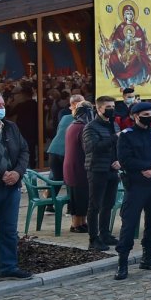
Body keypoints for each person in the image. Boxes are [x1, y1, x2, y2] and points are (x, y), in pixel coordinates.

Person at [113, 101, 151, 281]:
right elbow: (125, 160)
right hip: (136, 186)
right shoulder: (127, 135)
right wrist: (146, 166)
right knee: (129, 224)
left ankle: (148, 257)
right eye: (145, 115)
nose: (149, 117)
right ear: (134, 116)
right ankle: (122, 263)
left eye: (150, 114)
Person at [0, 92, 33, 280]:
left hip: (11, 188)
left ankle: (8, 268)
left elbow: (24, 150)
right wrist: (2, 173)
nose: (1, 108)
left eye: (2, 105)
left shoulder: (11, 127)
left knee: (9, 230)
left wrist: (17, 172)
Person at [83, 96, 121, 252]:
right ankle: (93, 239)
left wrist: (119, 160)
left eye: (113, 106)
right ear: (99, 109)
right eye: (108, 107)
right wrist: (114, 137)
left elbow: (119, 146)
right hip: (97, 170)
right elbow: (93, 147)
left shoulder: (114, 124)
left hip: (113, 170)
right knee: (95, 205)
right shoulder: (90, 127)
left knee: (108, 204)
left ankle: (105, 234)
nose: (111, 109)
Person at [63, 101, 95, 236]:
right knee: (81, 196)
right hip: (79, 166)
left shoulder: (73, 125)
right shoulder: (83, 127)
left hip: (71, 166)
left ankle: (81, 222)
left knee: (77, 195)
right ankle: (77, 224)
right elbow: (87, 148)